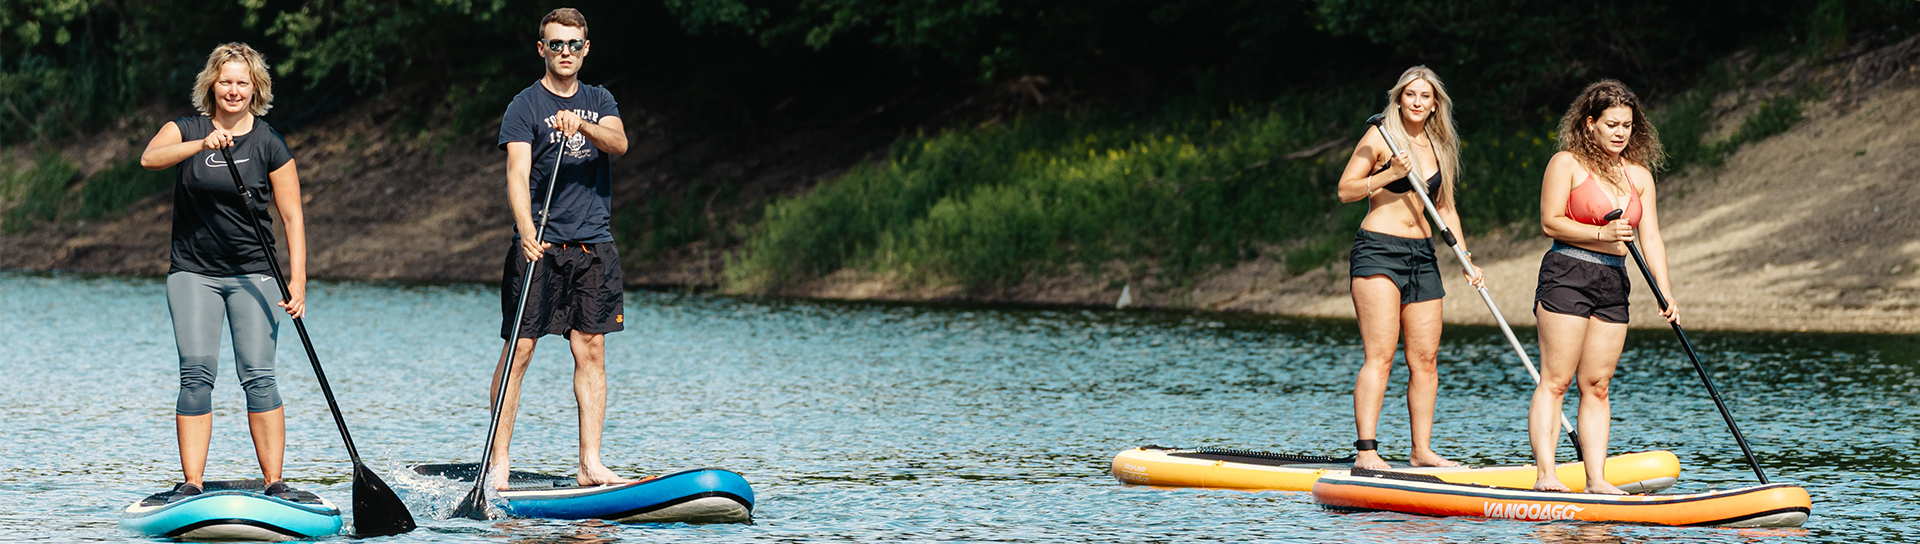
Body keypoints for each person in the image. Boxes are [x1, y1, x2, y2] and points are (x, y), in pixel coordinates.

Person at [138, 43, 307, 500]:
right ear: (212, 83)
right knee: (196, 373)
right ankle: (190, 484)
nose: (233, 90)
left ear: (256, 89)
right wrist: (201, 143)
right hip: (193, 273)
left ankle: (276, 483)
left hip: (255, 273)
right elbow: (150, 158)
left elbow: (292, 217)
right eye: (226, 81)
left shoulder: (269, 142)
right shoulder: (185, 128)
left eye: (243, 83)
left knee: (259, 375)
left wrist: (298, 280)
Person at [488, 7, 632, 490]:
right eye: (556, 44)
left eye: (573, 45)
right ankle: (498, 462)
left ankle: (590, 463)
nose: (565, 52)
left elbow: (619, 143)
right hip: (541, 245)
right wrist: (526, 229)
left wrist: (585, 126)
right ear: (542, 49)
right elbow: (515, 171)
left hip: (593, 244)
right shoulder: (524, 105)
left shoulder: (600, 99)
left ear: (585, 49)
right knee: (520, 351)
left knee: (590, 351)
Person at [1528, 79, 1676, 494]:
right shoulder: (1567, 163)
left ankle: (1596, 480)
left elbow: (1652, 239)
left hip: (1614, 280)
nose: (1620, 132)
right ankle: (1547, 476)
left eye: (1627, 125)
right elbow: (1550, 222)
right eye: (1611, 123)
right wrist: (1602, 234)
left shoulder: (1640, 176)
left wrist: (1665, 292)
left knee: (1597, 385)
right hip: (1567, 273)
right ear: (1590, 123)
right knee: (1556, 379)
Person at [1334, 66, 1485, 470]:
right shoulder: (1381, 136)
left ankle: (1421, 451)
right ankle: (1367, 452)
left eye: (1425, 96)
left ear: (1436, 103)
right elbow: (1345, 190)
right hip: (1378, 251)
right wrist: (1388, 175)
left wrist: (1467, 261)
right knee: (1380, 355)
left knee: (1426, 359)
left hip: (1423, 255)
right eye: (1410, 95)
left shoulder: (1440, 145)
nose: (1417, 102)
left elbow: (1446, 208)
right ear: (1399, 98)